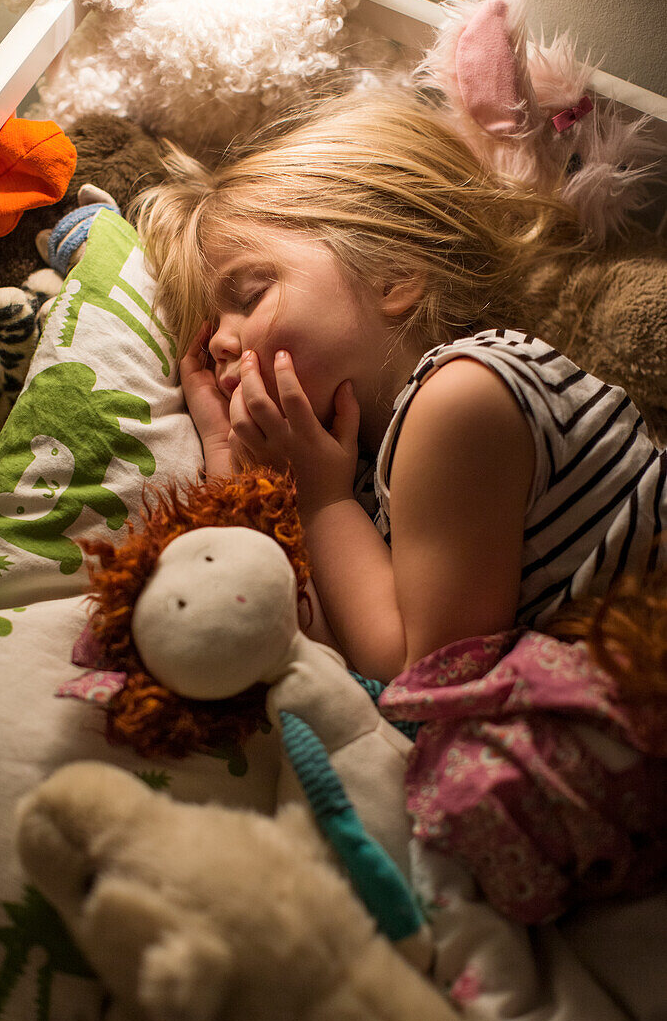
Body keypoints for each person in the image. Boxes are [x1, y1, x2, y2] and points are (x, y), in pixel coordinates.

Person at [134, 86, 667, 686]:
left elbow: (425, 676)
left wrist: (320, 503)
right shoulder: (358, 469)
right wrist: (228, 453)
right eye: (210, 339)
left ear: (393, 276)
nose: (222, 344)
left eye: (251, 294)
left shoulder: (464, 396)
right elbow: (305, 639)